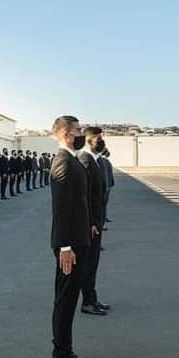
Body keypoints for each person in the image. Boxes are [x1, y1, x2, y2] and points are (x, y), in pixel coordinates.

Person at [49, 115, 94, 358]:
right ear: (66, 132)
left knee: (69, 297)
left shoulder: (71, 159)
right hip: (70, 246)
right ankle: (61, 355)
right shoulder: (63, 162)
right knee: (65, 299)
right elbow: (61, 209)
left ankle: (66, 350)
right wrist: (65, 247)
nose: (81, 133)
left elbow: (78, 203)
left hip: (77, 240)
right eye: (78, 129)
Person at [78, 127, 110, 316]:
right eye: (98, 138)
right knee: (88, 264)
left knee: (94, 263)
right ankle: (87, 302)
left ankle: (92, 298)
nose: (101, 140)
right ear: (89, 139)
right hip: (90, 224)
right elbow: (85, 197)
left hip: (96, 222)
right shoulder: (86, 161)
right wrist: (89, 222)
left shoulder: (95, 160)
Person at [102, 149, 115, 222]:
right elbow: (106, 174)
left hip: (108, 185)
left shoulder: (105, 161)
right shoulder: (104, 161)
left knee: (104, 203)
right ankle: (102, 218)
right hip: (106, 186)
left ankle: (104, 217)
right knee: (103, 204)